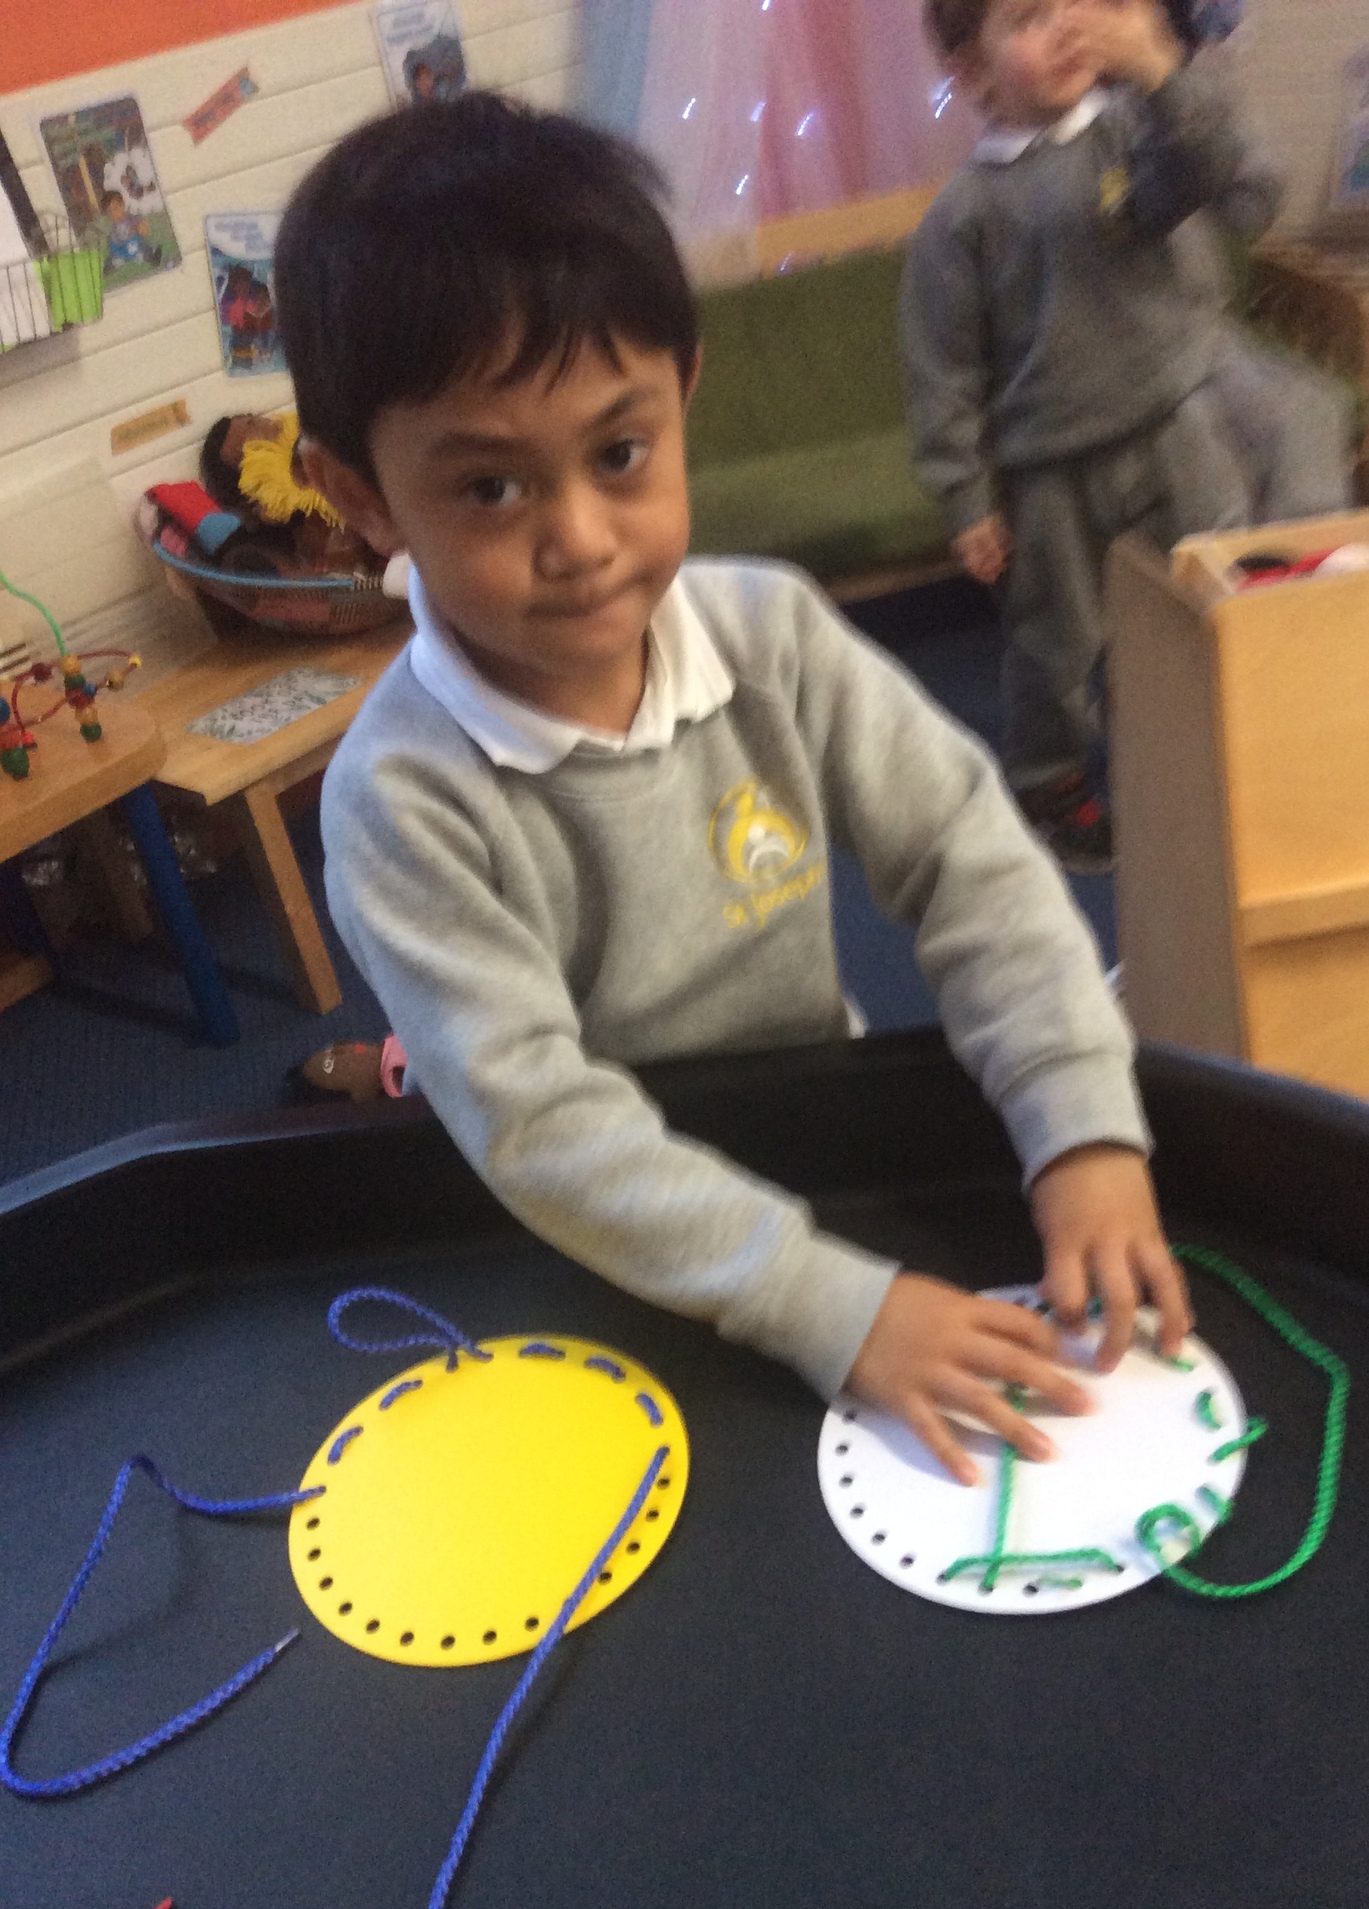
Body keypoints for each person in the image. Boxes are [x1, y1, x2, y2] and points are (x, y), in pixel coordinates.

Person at [274, 91, 1191, 1486]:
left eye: (619, 454)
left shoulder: (774, 632)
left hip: (813, 1121)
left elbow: (967, 860)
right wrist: (831, 1304)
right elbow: (546, 1127)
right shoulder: (398, 801)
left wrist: (1078, 1122)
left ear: (683, 395)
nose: (582, 540)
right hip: (607, 1227)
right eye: (490, 490)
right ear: (362, 496)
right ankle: (393, 1072)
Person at [901, 0, 1285, 870]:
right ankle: (1051, 784)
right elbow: (943, 372)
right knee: (1055, 641)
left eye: (1071, 4)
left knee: (1213, 588)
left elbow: (1212, 167)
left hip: (1174, 424)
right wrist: (967, 498)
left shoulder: (1130, 134)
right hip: (1048, 469)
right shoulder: (962, 216)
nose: (1067, 27)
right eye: (1030, 19)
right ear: (970, 70)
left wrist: (1156, 70)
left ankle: (1219, 744)